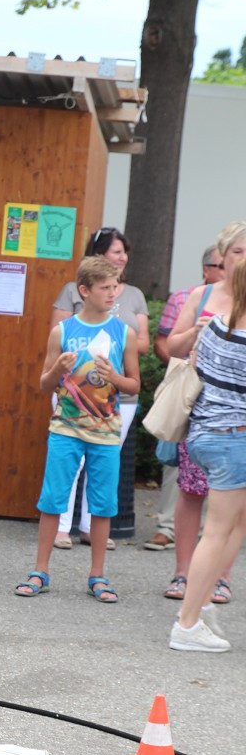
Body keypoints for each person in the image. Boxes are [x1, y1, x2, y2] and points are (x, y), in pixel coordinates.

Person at [15, 256, 140, 603]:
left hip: (105, 433)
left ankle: (97, 575)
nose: (113, 293)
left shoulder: (124, 333)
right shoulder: (63, 331)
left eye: (115, 287)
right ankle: (40, 570)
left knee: (102, 504)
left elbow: (134, 385)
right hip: (65, 429)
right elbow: (43, 384)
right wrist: (57, 368)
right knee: (53, 499)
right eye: (105, 288)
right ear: (84, 291)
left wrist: (115, 378)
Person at [50, 227, 149, 550]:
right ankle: (61, 527)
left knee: (103, 463)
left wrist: (116, 361)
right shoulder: (71, 291)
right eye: (116, 251)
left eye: (125, 252)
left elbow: (142, 344)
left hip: (117, 399)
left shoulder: (133, 295)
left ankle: (92, 528)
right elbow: (60, 335)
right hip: (74, 393)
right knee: (70, 465)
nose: (122, 257)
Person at [169, 242, 246, 653]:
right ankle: (187, 623)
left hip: (205, 435)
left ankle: (198, 606)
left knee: (234, 526)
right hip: (234, 440)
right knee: (217, 532)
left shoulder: (214, 325)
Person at [144, 244, 224, 551]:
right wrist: (183, 366)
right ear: (206, 269)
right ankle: (166, 526)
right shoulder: (185, 297)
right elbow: (163, 343)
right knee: (176, 463)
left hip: (227, 402)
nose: (226, 271)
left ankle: (214, 539)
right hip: (189, 388)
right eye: (219, 265)